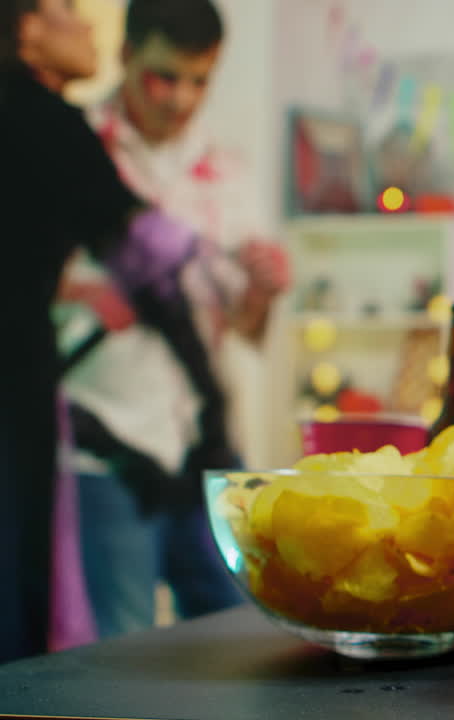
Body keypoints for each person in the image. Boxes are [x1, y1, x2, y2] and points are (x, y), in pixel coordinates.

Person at [57, 0, 287, 639]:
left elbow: (242, 326)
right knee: (116, 651)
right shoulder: (66, 146)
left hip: (203, 440)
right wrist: (80, 291)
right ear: (126, 56)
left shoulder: (226, 171)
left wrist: (262, 290)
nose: (182, 98)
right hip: (100, 441)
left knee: (241, 637)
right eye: (164, 76)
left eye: (199, 80)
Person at [0, 0, 219, 662]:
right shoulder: (45, 120)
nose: (87, 22)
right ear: (27, 29)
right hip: (38, 401)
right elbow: (143, 254)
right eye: (66, 8)